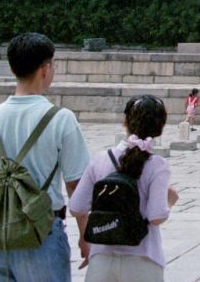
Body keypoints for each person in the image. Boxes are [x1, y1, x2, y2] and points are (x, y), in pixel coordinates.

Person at [0, 32, 90, 282]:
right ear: (45, 69)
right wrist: (85, 234)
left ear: (12, 68)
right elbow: (75, 186)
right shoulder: (60, 118)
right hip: (40, 234)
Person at [70, 95, 177, 281]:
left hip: (102, 259)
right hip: (143, 259)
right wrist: (170, 201)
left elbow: (77, 207)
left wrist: (86, 238)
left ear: (125, 121)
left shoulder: (100, 159)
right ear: (160, 127)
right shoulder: (157, 165)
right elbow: (156, 216)